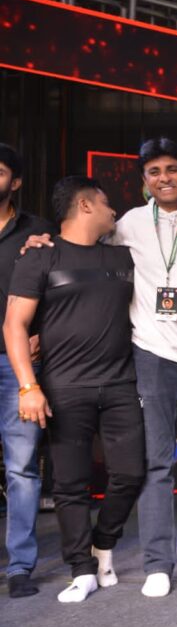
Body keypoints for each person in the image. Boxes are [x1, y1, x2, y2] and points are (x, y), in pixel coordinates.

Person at [20, 138, 177, 598]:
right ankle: (159, 563)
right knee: (156, 462)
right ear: (144, 181)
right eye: (154, 172)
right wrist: (42, 240)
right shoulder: (130, 223)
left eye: (172, 169)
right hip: (151, 351)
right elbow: (78, 241)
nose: (164, 178)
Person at [4, 176, 144, 603]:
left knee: (131, 473)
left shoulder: (122, 255)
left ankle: (103, 543)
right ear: (85, 206)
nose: (113, 211)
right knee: (70, 485)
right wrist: (28, 387)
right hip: (63, 386)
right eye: (105, 202)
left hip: (120, 383)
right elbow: (14, 325)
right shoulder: (40, 256)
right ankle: (81, 570)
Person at [0, 143, 55, 598]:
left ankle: (20, 566)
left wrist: (44, 334)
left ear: (15, 182)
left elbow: (59, 291)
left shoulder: (37, 231)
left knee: (20, 467)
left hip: (14, 364)